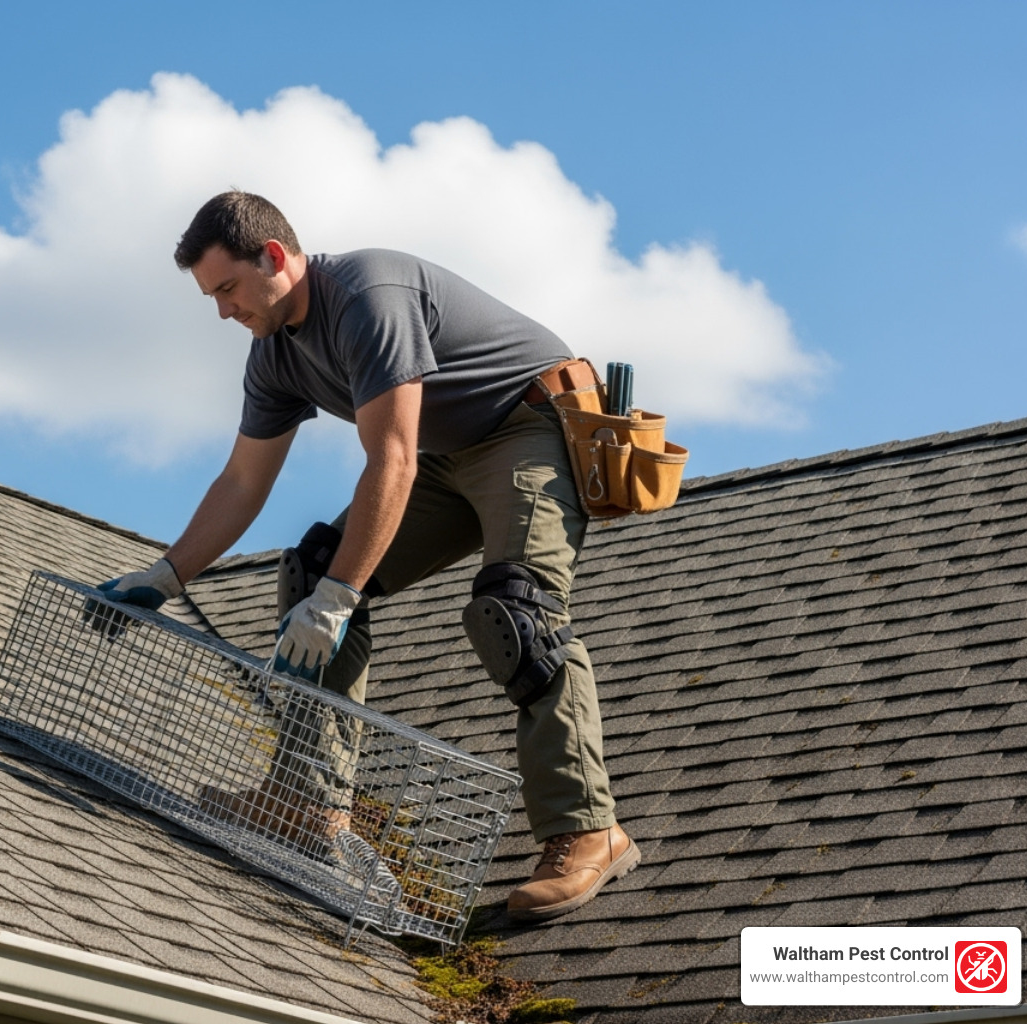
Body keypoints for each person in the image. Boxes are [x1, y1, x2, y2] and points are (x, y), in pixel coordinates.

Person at [96, 191, 638, 922]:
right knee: (315, 566)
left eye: (227, 288)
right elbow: (242, 480)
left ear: (277, 259)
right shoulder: (274, 355)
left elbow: (392, 456)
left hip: (528, 428)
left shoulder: (366, 298)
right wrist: (166, 575)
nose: (223, 311)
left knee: (519, 613)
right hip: (443, 453)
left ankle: (588, 829)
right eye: (210, 297)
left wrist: (341, 599)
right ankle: (307, 803)